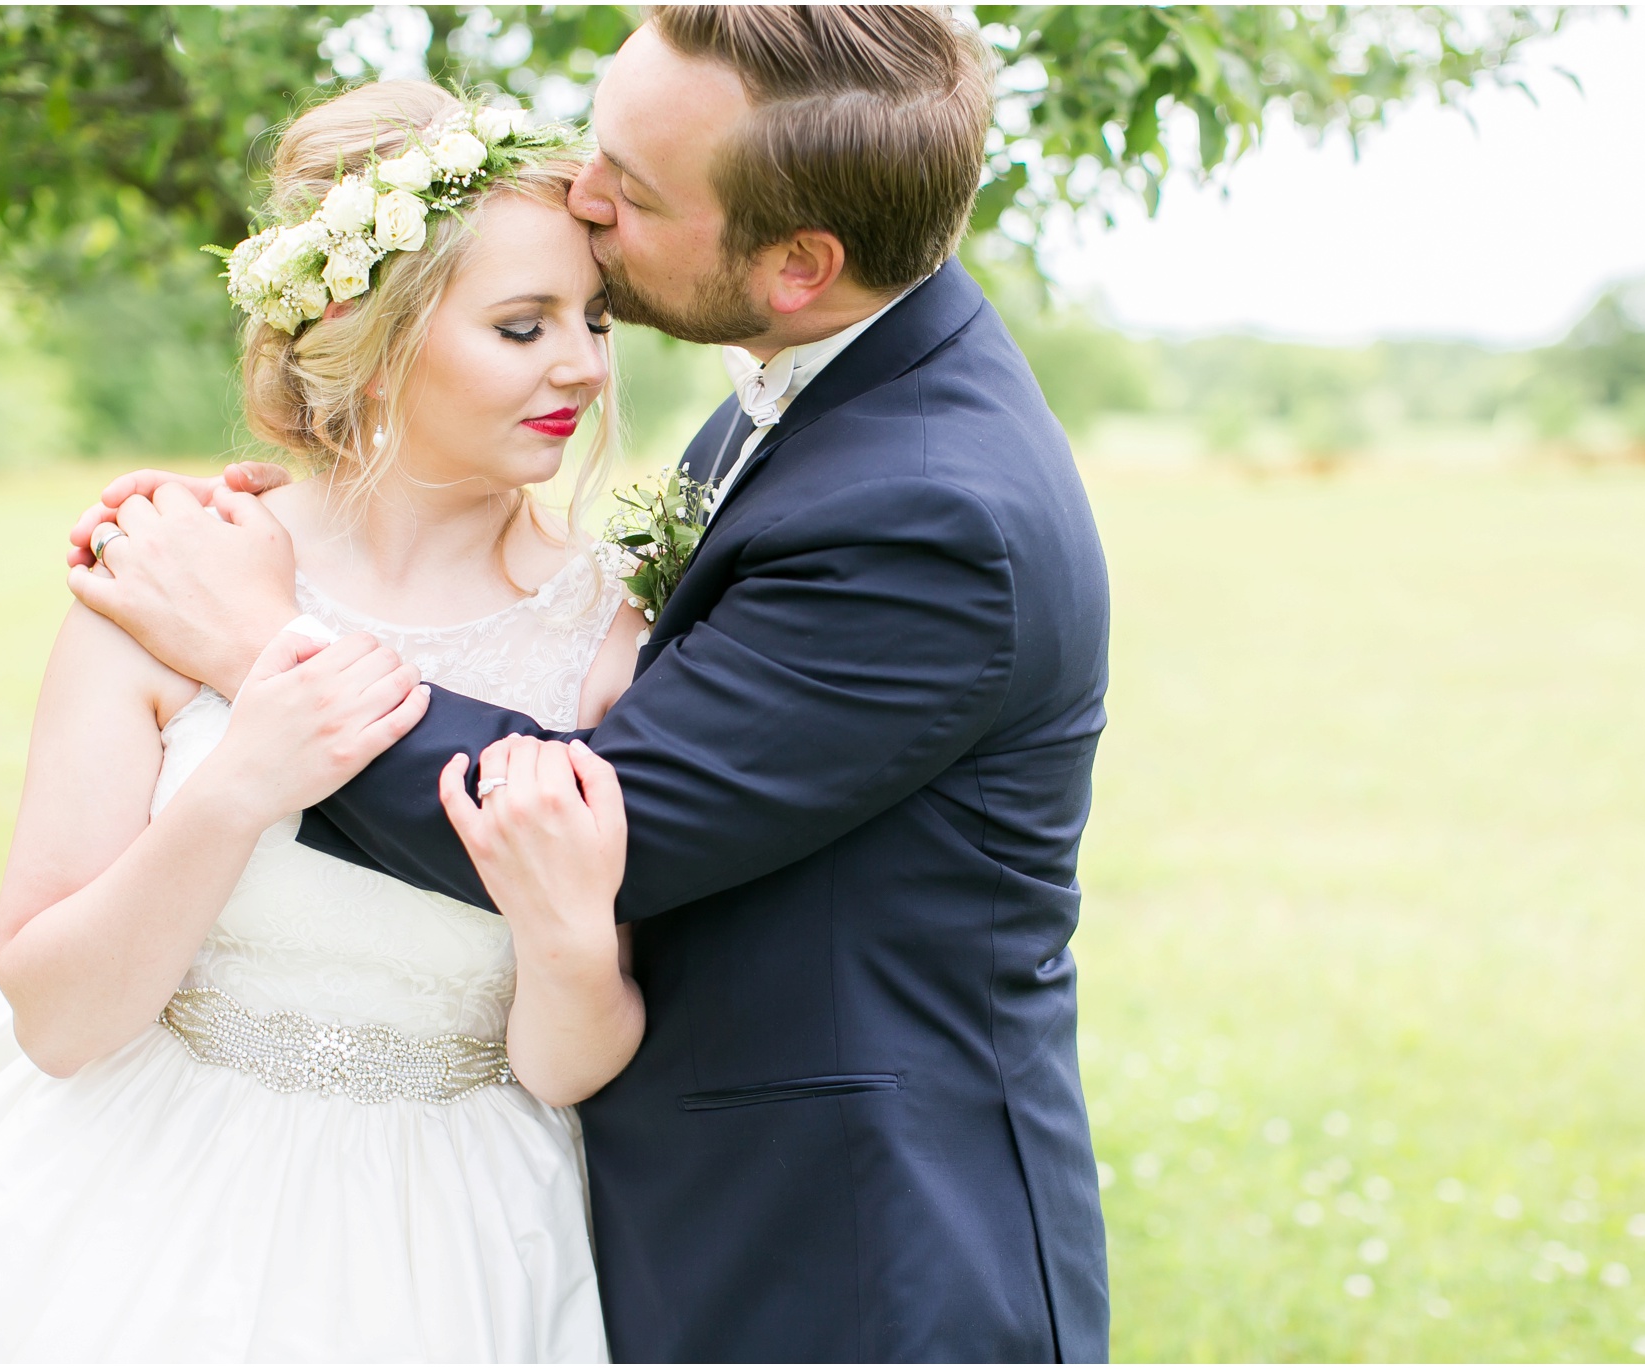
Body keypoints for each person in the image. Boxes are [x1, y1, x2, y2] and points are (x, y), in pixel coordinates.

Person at [69, 5, 1113, 1362]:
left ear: (800, 263)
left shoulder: (933, 512)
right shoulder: (803, 393)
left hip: (855, 1253)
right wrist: (321, 550)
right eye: (597, 139)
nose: (582, 191)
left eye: (633, 184)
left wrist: (261, 646)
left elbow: (595, 827)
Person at [0, 82, 647, 1361]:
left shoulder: (605, 645)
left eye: (594, 320)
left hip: (448, 1240)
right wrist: (239, 784)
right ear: (366, 327)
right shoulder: (166, 575)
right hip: (129, 1204)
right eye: (521, 324)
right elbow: (53, 1016)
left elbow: (567, 1065)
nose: (582, 365)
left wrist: (564, 936)